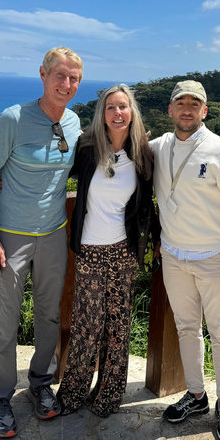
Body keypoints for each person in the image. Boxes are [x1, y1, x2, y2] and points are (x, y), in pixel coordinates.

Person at [0, 47, 83, 438]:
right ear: (42, 74)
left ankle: (40, 383)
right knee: (6, 319)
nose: (66, 84)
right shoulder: (13, 119)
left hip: (54, 233)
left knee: (49, 314)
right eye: (60, 76)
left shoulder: (73, 122)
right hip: (10, 237)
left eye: (74, 79)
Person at [151, 80, 220, 440]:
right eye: (180, 103)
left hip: (215, 258)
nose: (186, 109)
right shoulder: (158, 148)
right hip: (173, 256)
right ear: (170, 110)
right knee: (186, 328)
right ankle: (197, 396)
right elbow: (115, 158)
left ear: (205, 111)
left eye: (194, 104)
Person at [56, 84, 156, 417]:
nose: (117, 113)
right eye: (110, 107)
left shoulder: (143, 154)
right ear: (102, 113)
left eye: (123, 107)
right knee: (87, 324)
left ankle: (109, 394)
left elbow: (149, 204)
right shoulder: (86, 149)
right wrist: (4, 179)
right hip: (89, 248)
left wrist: (153, 242)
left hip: (124, 250)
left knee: (119, 325)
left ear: (132, 112)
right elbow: (51, 174)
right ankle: (72, 393)